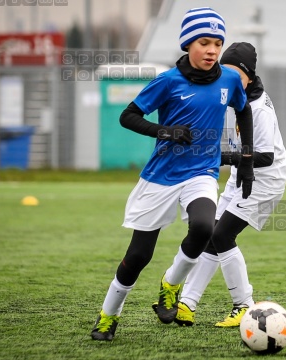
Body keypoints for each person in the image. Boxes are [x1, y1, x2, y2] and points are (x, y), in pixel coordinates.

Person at [90, 7, 255, 341]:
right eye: (204, 42)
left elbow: (244, 110)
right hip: (160, 177)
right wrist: (166, 131)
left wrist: (247, 162)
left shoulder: (228, 80)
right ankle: (108, 316)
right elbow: (129, 116)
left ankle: (171, 285)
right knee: (137, 256)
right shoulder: (167, 81)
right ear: (187, 44)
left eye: (218, 43)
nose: (212, 50)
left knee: (204, 227)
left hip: (202, 172)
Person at [172, 42, 286, 327]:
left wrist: (220, 156)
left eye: (239, 73)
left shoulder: (258, 108)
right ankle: (187, 303)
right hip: (239, 177)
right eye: (228, 71)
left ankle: (244, 306)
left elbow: (264, 156)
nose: (232, 78)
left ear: (249, 75)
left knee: (223, 236)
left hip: (264, 180)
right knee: (211, 236)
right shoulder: (228, 95)